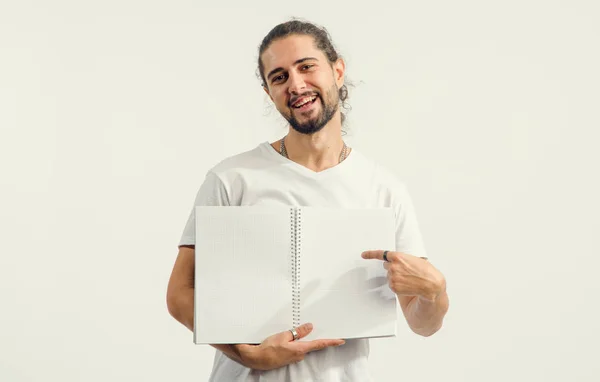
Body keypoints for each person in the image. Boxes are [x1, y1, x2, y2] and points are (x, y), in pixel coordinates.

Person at [166, 18, 449, 382]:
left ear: (337, 70)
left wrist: (435, 291)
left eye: (306, 67)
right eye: (279, 77)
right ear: (269, 93)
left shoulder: (385, 189)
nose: (296, 85)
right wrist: (248, 354)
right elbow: (180, 294)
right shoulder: (231, 179)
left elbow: (422, 323)